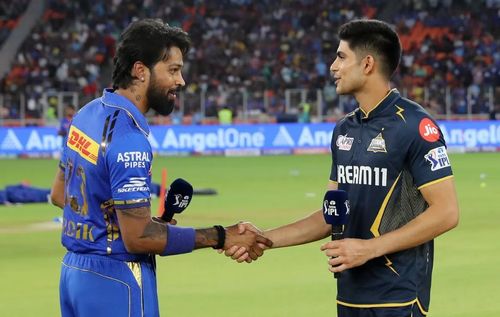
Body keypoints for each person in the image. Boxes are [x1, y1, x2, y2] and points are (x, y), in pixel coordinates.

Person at [226, 19, 459, 317]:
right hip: (349, 297)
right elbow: (331, 215)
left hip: (398, 299)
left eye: (341, 56)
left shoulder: (414, 125)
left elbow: (446, 212)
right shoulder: (344, 130)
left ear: (368, 64)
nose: (333, 67)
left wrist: (369, 249)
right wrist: (264, 239)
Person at [49, 19, 271, 317]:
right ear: (141, 71)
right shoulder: (128, 139)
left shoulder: (86, 114)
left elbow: (59, 194)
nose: (181, 81)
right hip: (116, 281)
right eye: (173, 70)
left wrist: (129, 221)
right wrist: (221, 235)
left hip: (73, 275)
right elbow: (139, 237)